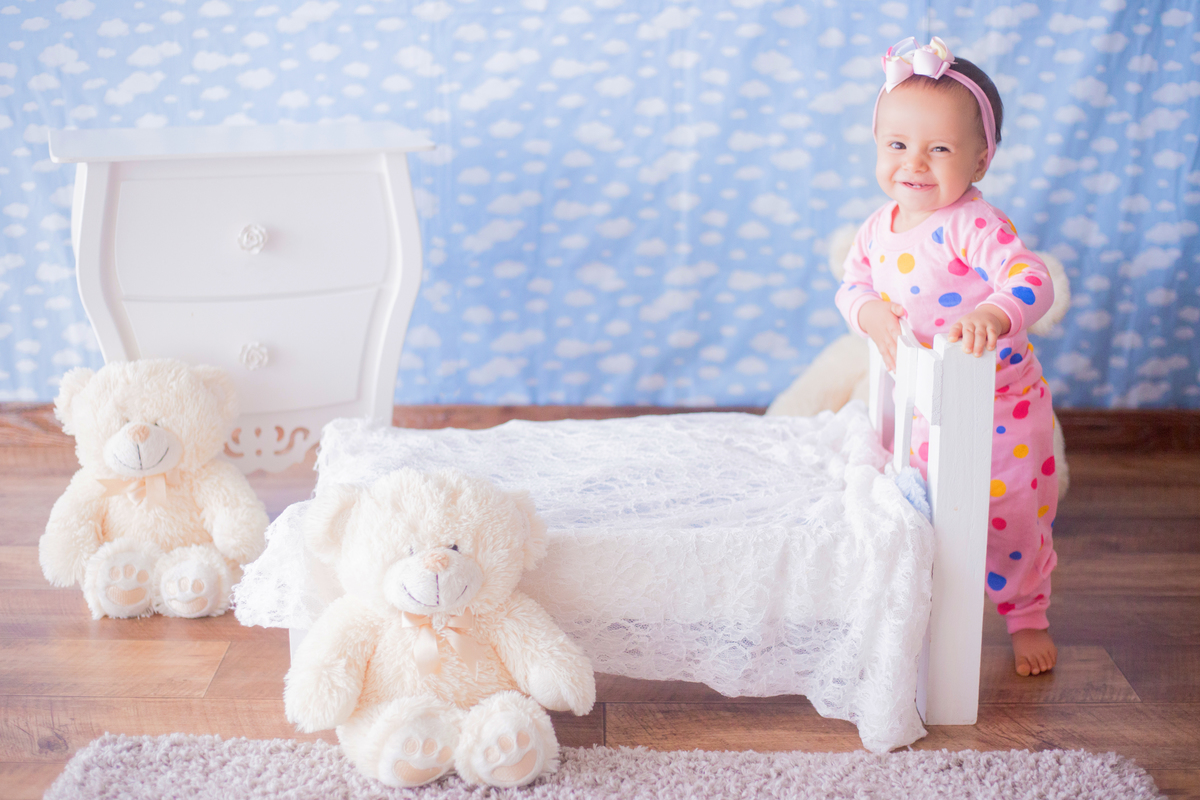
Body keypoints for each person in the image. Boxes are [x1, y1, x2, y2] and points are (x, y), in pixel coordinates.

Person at [835, 37, 1059, 677]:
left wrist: (995, 312)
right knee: (924, 512)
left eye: (939, 149)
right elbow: (851, 285)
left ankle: (1026, 612)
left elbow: (1031, 278)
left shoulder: (972, 224)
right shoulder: (878, 226)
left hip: (1000, 406)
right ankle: (917, 607)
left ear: (980, 160)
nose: (914, 163)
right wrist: (870, 312)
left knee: (1009, 516)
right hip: (923, 401)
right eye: (897, 144)